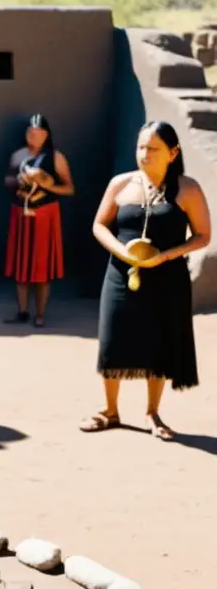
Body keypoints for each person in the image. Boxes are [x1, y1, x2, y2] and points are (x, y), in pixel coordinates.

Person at [80, 121, 211, 439]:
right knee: (112, 340)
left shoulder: (187, 188)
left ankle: (153, 414)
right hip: (120, 275)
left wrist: (165, 256)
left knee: (160, 343)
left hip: (168, 278)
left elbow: (203, 236)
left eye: (153, 148)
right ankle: (110, 410)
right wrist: (122, 253)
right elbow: (99, 225)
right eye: (141, 147)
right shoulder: (120, 184)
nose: (144, 154)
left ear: (173, 152)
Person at [3, 114, 75, 327]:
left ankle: (40, 314)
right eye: (30, 132)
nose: (33, 136)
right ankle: (22, 311)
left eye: (37, 132)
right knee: (21, 267)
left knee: (41, 268)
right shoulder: (18, 156)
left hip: (45, 216)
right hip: (21, 214)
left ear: (46, 134)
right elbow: (7, 182)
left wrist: (47, 185)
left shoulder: (56, 157)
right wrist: (19, 181)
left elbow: (70, 188)